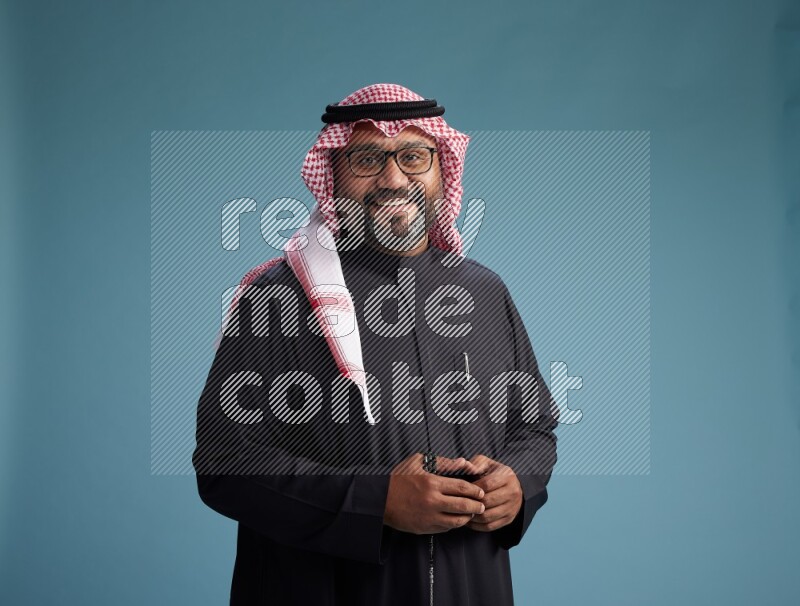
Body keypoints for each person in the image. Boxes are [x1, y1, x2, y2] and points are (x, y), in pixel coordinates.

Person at [192, 83, 560, 606]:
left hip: (471, 586)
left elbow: (534, 426)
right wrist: (377, 502)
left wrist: (518, 484)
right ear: (334, 175)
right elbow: (224, 461)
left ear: (441, 168)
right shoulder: (277, 297)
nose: (394, 179)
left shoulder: (484, 290)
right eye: (368, 159)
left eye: (414, 156)